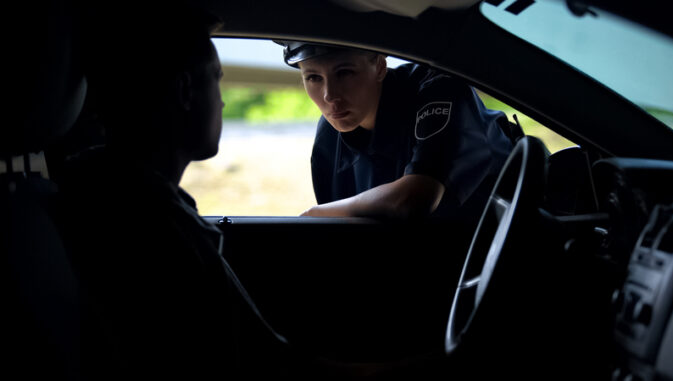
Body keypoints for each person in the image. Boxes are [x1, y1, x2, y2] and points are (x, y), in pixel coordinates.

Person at [60, 6, 292, 379]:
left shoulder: (97, 191)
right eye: (216, 79)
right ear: (185, 90)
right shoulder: (147, 227)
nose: (222, 100)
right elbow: (271, 364)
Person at [277, 41, 517, 224]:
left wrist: (314, 214)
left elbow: (416, 197)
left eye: (345, 73)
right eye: (313, 78)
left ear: (380, 67)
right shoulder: (329, 137)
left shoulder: (437, 91)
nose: (329, 95)